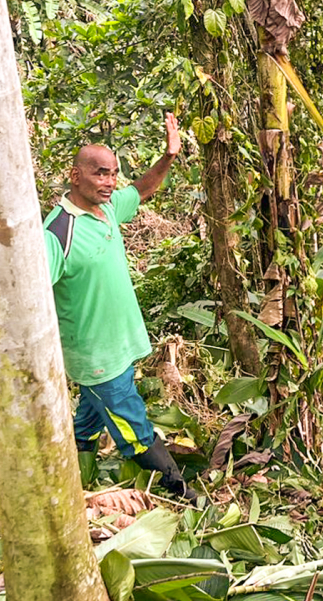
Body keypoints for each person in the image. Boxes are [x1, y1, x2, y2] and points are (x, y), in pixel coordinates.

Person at [43, 112, 196, 501]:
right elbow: (33, 296)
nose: (109, 182)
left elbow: (141, 190)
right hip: (95, 358)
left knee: (90, 419)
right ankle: (180, 490)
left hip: (120, 347)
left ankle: (79, 477)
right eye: (99, 173)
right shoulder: (58, 233)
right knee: (134, 428)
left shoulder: (107, 208)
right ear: (75, 175)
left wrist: (169, 156)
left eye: (112, 173)